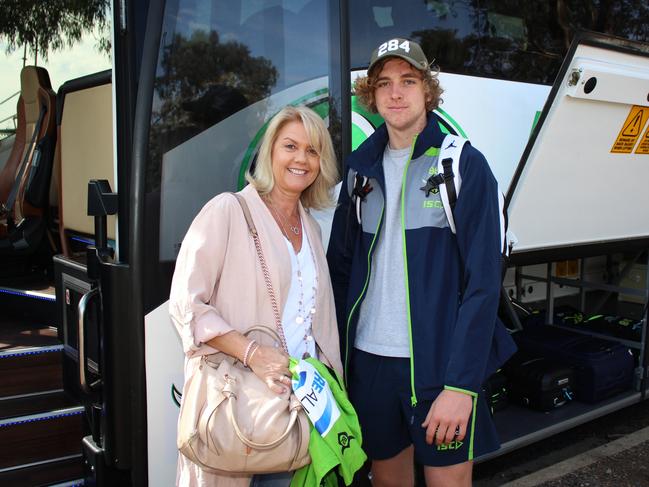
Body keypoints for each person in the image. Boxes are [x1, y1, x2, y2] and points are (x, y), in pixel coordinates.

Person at [327, 38, 516, 486]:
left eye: (408, 81)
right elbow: (340, 271)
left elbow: (483, 284)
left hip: (438, 366)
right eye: (385, 83)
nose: (396, 93)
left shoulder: (462, 165)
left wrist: (462, 386)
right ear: (370, 96)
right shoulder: (359, 170)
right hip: (369, 362)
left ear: (427, 90)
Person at [169, 105, 343, 487]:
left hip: (298, 413)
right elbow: (186, 305)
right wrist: (254, 354)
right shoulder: (227, 211)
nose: (301, 158)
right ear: (270, 152)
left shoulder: (311, 228)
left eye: (313, 150)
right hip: (239, 410)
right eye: (290, 146)